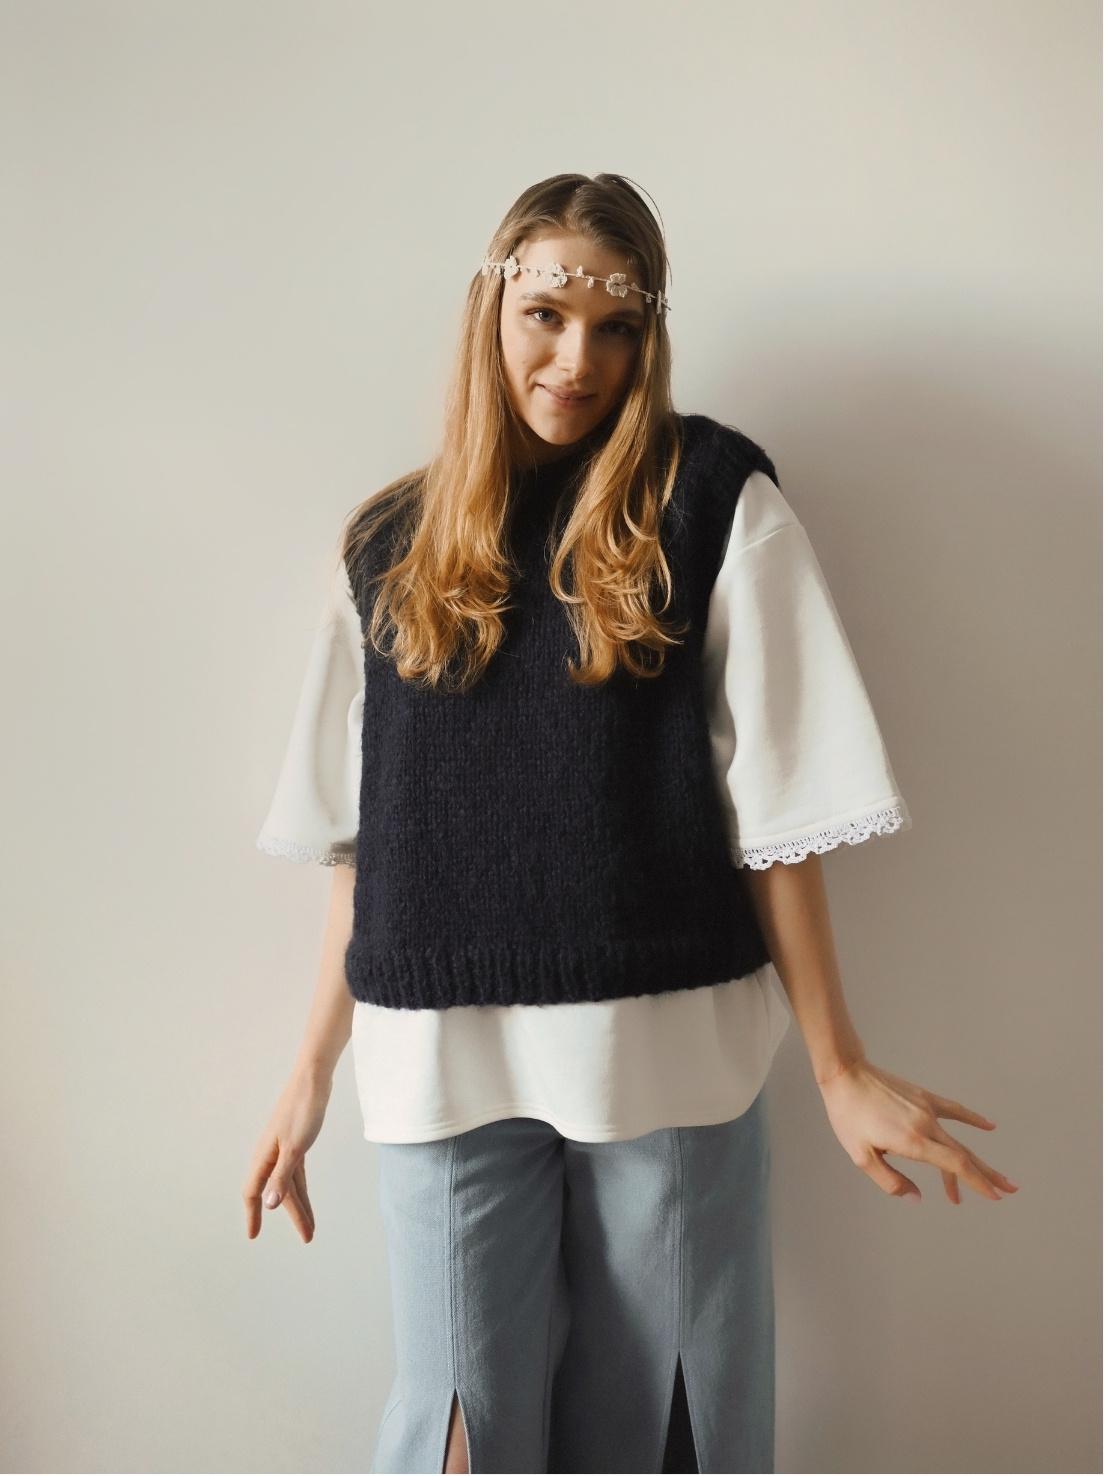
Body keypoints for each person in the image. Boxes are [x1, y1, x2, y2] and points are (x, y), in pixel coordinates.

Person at [243, 173, 1018, 1475]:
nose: (576, 360)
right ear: (491, 312)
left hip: (660, 1043)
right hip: (435, 1054)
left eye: (616, 328)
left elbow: (780, 815)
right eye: (546, 315)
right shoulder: (387, 545)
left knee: (667, 1424)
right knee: (456, 1425)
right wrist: (310, 1072)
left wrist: (839, 1068)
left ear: (650, 335)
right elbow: (364, 848)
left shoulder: (711, 502)